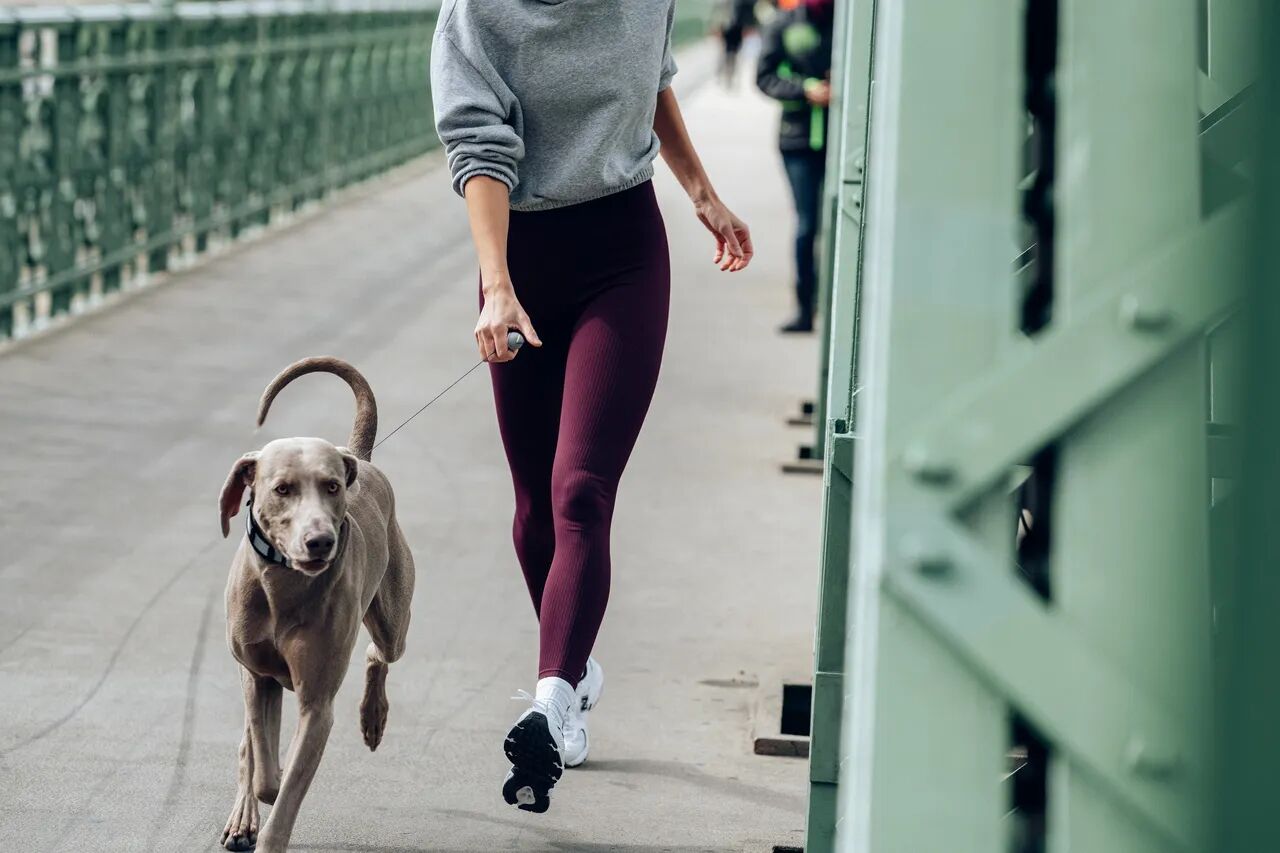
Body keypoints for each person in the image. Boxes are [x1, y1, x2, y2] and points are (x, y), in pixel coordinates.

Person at [430, 0, 752, 814]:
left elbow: (652, 80)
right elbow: (478, 148)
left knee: (580, 490)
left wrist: (703, 193)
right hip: (519, 261)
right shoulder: (478, 14)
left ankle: (550, 703)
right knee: (533, 507)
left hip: (623, 253)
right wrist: (496, 287)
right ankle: (572, 670)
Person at [757, 0, 835, 333]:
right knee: (807, 225)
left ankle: (837, 305)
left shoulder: (848, 19)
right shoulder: (782, 24)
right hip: (798, 140)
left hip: (844, 139)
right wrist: (805, 90)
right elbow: (764, 77)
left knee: (844, 221)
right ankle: (805, 308)